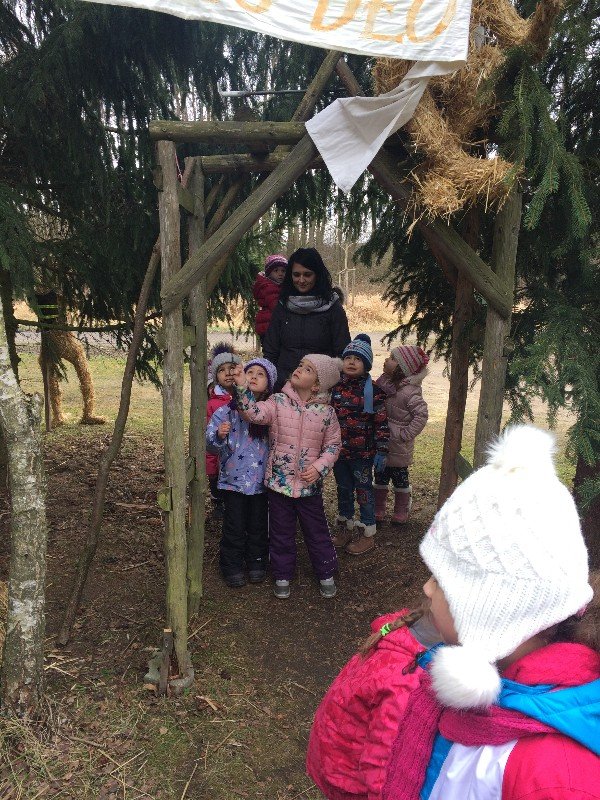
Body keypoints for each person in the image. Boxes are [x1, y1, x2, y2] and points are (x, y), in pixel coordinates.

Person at [307, 425, 600, 800]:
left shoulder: (552, 777)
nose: (427, 589)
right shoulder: (493, 690)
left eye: (442, 582)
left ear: (492, 611)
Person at [232, 354, 342, 599]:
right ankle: (282, 574)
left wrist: (319, 467)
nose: (299, 369)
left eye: (308, 369)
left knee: (317, 531)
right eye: (300, 364)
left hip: (308, 487)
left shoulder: (327, 413)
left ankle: (326, 572)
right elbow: (253, 414)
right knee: (281, 531)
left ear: (317, 385)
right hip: (279, 484)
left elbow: (333, 446)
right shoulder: (277, 401)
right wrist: (241, 386)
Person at [206, 358, 277, 588]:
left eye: (260, 374)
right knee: (234, 526)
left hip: (261, 483)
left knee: (258, 525)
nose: (254, 376)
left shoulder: (270, 414)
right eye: (250, 372)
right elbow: (209, 445)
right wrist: (218, 435)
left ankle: (257, 562)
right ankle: (232, 565)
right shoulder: (227, 411)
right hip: (233, 481)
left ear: (268, 385)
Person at [330, 334, 390, 556]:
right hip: (339, 452)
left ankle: (367, 533)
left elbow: (381, 422)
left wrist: (382, 450)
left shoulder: (373, 390)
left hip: (363, 455)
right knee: (343, 489)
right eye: (348, 358)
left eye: (358, 359)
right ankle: (345, 527)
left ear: (366, 364)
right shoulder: (336, 388)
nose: (352, 362)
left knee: (363, 491)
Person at [263, 248, 350, 391]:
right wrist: (271, 380)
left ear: (317, 275)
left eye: (307, 275)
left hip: (319, 388)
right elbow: (270, 350)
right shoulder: (282, 305)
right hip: (283, 386)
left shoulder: (333, 307)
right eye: (296, 275)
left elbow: (342, 351)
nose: (301, 280)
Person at [374, 345, 429, 524]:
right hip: (381, 443)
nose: (386, 360)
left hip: (399, 446)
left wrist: (405, 434)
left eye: (392, 358)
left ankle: (401, 510)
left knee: (400, 479)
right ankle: (378, 508)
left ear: (402, 367)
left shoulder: (410, 391)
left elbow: (421, 415)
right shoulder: (383, 383)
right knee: (380, 477)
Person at [205, 342, 242, 518]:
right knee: (216, 479)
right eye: (222, 370)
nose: (228, 373)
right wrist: (210, 464)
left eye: (232, 368)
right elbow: (209, 435)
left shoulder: (246, 396)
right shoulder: (212, 404)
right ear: (215, 376)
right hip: (219, 452)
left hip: (240, 454)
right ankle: (218, 502)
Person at [252, 254, 287, 348]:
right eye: (276, 271)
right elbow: (276, 306)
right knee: (271, 351)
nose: (280, 273)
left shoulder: (277, 286)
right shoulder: (268, 287)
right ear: (269, 273)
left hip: (271, 325)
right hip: (268, 326)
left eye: (283, 271)